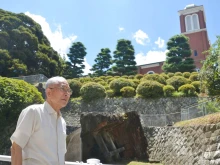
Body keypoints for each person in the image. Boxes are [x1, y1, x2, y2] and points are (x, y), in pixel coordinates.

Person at [10, 76, 72, 165]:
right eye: (63, 89)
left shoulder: (62, 122)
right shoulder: (34, 112)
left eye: (69, 90)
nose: (67, 94)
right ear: (49, 92)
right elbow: (16, 147)